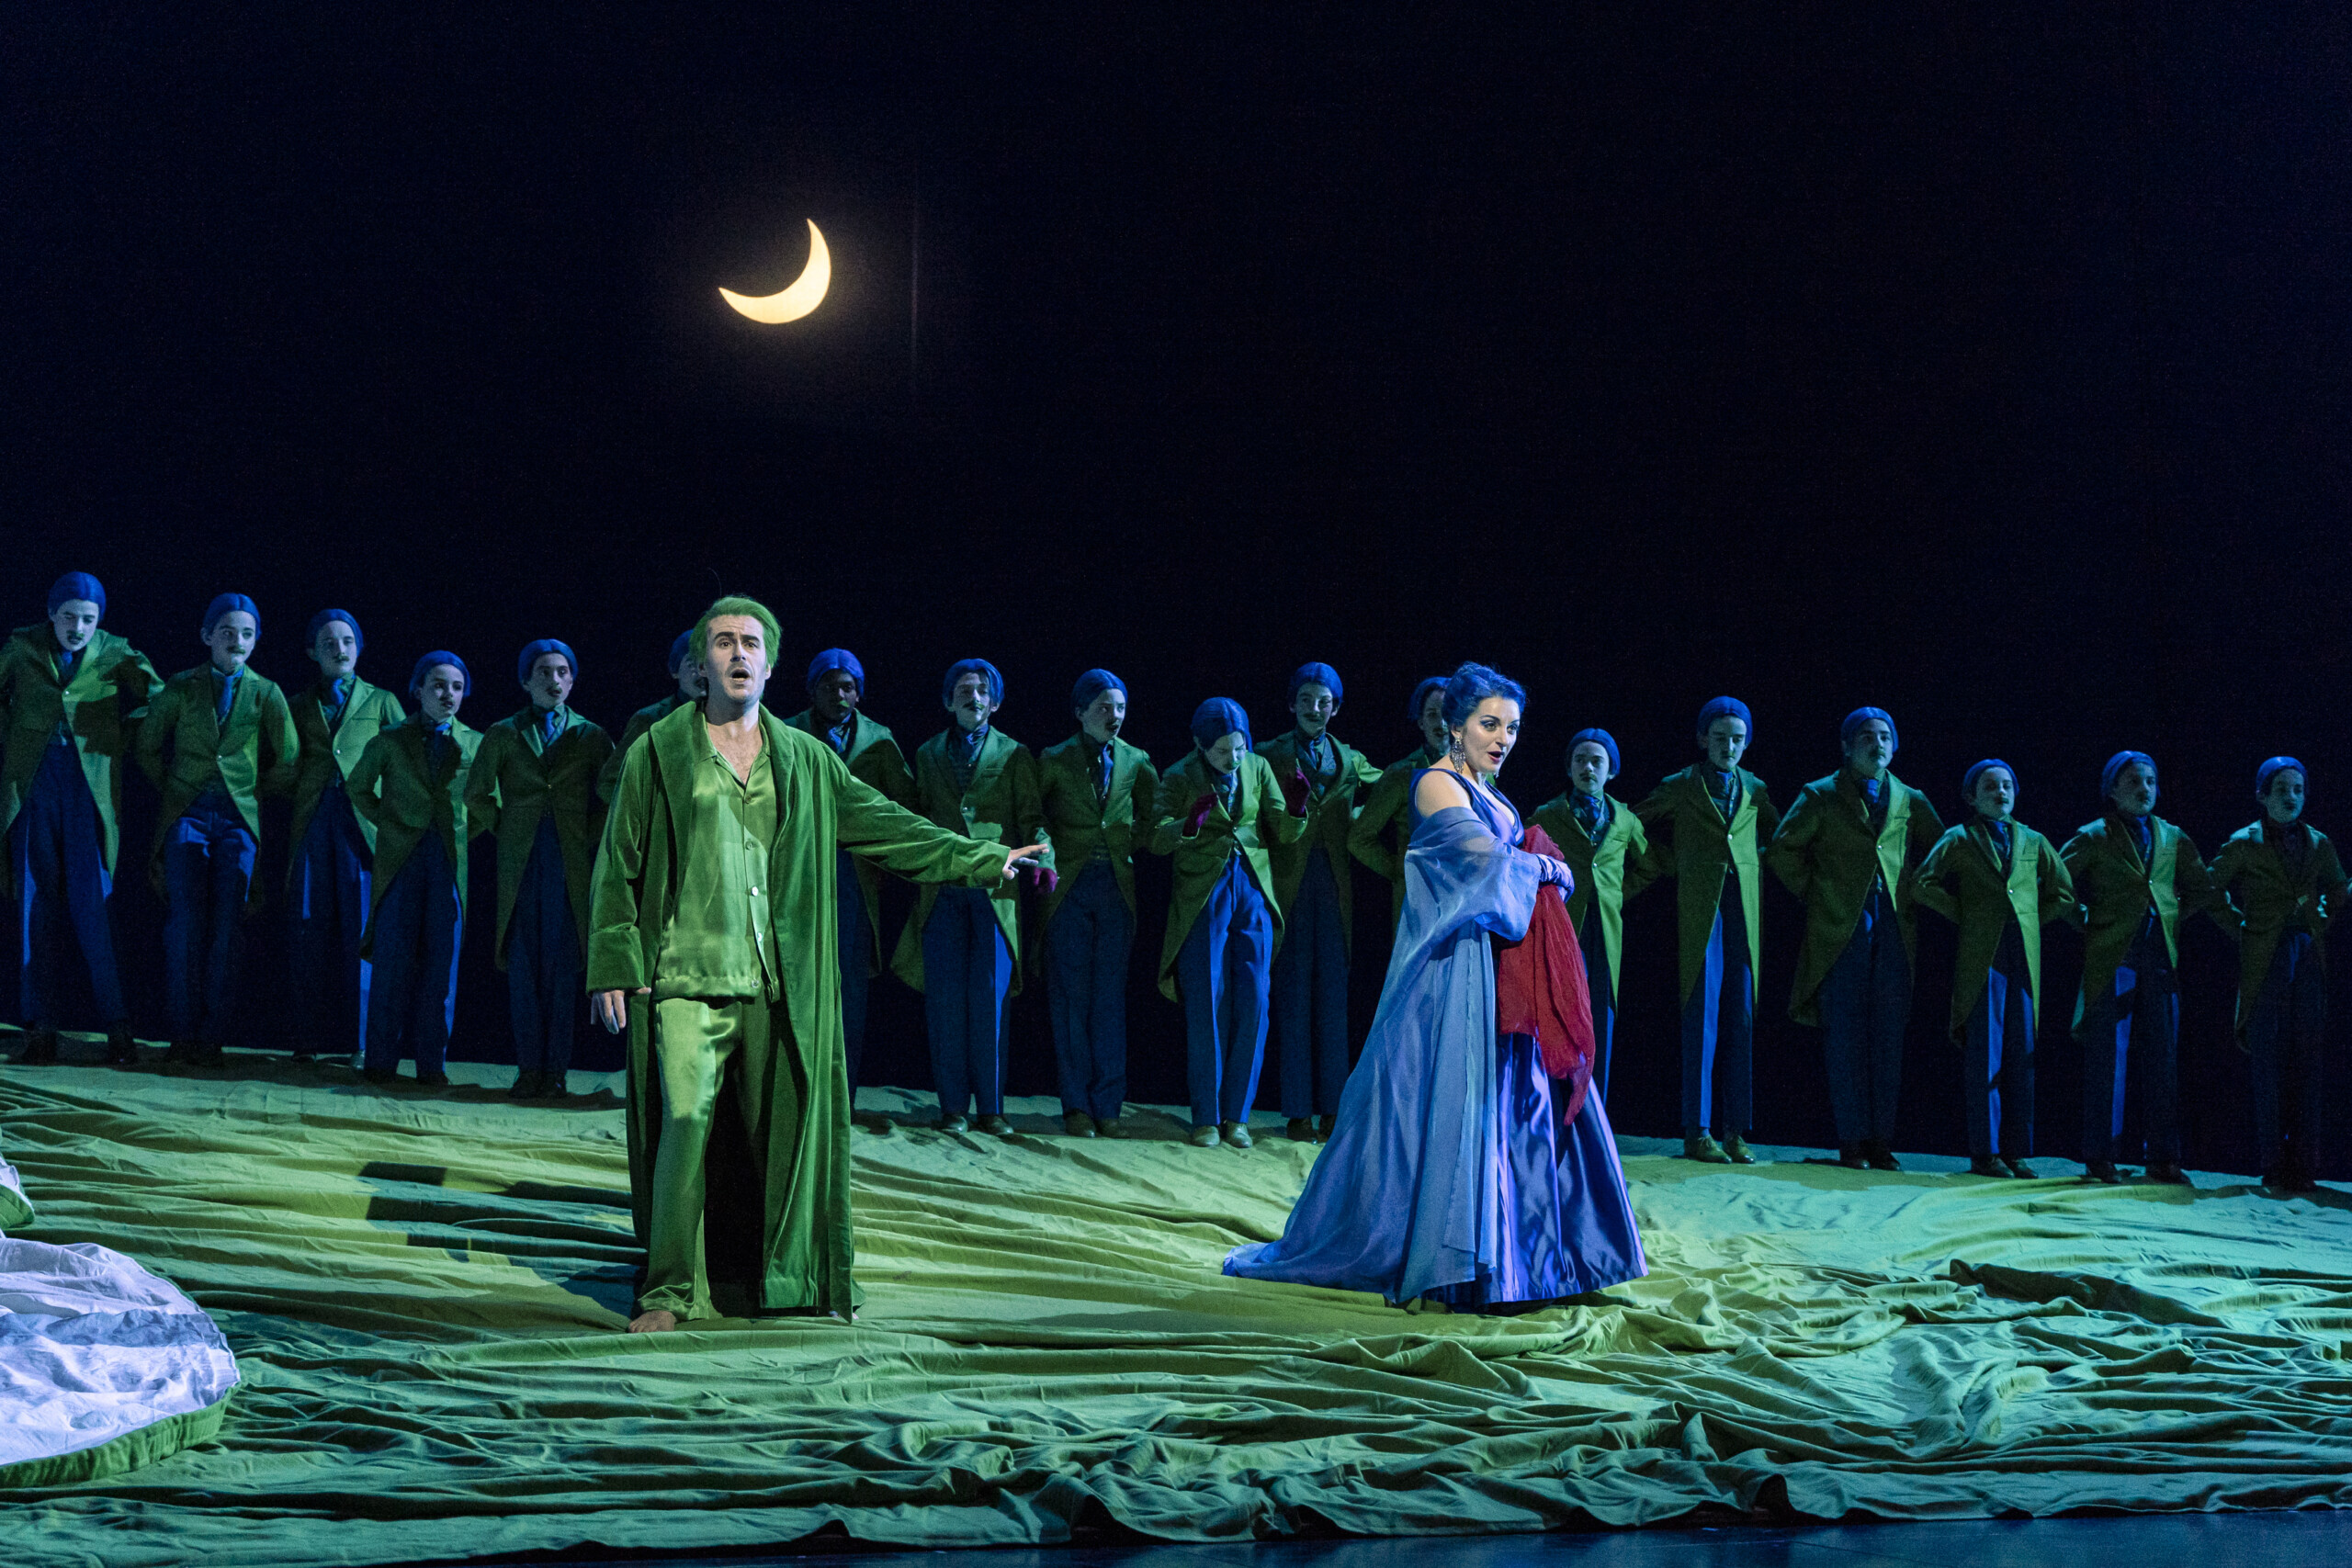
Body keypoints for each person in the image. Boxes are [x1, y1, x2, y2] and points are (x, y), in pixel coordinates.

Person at [588, 597, 1045, 1330]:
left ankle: (781, 1277)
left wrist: (985, 859)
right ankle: (667, 1289)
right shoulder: (657, 749)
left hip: (778, 984)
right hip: (684, 979)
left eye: (751, 643)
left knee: (782, 1135)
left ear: (770, 665)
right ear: (700, 664)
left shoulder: (805, 759)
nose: (738, 653)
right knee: (684, 1120)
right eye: (723, 642)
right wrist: (614, 959)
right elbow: (619, 861)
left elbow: (893, 828)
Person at [1225, 663, 1646, 1310]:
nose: (1503, 738)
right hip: (1452, 971)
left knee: (1513, 1108)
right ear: (1455, 726)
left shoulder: (1487, 790)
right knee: (1442, 1106)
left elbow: (1506, 861)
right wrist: (1544, 865)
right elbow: (1482, 863)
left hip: (1496, 968)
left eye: (1511, 727)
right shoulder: (1434, 784)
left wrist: (1538, 866)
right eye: (1489, 724)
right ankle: (1448, 1259)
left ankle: (1528, 1261)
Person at [1766, 707, 1943, 1170]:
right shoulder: (1822, 794)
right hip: (1840, 927)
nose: (1876, 744)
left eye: (1884, 736)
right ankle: (1851, 1140)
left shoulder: (1910, 798)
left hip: (1894, 926)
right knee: (1845, 1036)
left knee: (1888, 1035)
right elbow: (1782, 849)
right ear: (1847, 746)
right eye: (1866, 736)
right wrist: (1817, 893)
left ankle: (1881, 1140)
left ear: (1895, 746)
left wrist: (1920, 890)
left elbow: (1943, 849)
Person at [0, 573, 158, 1066]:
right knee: (35, 906)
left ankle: (118, 1026)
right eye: (68, 616)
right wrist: (15, 732)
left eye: (88, 619)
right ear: (52, 614)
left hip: (88, 787)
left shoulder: (115, 650)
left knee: (96, 907)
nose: (78, 627)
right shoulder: (22, 646)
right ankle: (40, 1027)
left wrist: (118, 735)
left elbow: (158, 698)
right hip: (33, 784)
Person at [137, 593, 298, 1066]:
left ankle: (212, 1037)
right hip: (187, 816)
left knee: (228, 928)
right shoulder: (182, 686)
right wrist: (176, 790)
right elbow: (147, 746)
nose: (237, 641)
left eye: (247, 634)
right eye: (227, 632)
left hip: (236, 821)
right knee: (185, 924)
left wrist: (250, 794)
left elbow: (288, 758)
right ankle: (182, 1033)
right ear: (207, 635)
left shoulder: (266, 691)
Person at [890, 659, 1046, 1135]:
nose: (973, 697)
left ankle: (991, 1109)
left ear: (994, 702)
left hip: (995, 893)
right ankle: (953, 1107)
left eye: (981, 691)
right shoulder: (928, 753)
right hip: (942, 892)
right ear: (948, 700)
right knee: (945, 1004)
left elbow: (1032, 818)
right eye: (963, 690)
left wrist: (1045, 856)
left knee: (990, 1002)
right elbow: (916, 819)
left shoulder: (1014, 754)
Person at [1149, 697, 1309, 1147]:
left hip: (1253, 890)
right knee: (1207, 1001)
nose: (1233, 758)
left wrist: (1297, 809)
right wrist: (1188, 824)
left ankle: (1237, 1117)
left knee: (1255, 1000)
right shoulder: (1179, 774)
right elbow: (1154, 837)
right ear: (1200, 746)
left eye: (1239, 748)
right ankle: (1206, 1116)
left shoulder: (1257, 767)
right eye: (1222, 751)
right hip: (1205, 893)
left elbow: (1282, 829)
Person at [2061, 751, 2220, 1185]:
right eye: (2133, 781)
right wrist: (2088, 921)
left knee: (2163, 1058)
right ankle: (2101, 1156)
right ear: (2112, 790)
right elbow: (2056, 882)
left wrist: (2171, 915)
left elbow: (2203, 888)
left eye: (2149, 781)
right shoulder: (2095, 834)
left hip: (2160, 958)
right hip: (2114, 957)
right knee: (2108, 1057)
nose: (2143, 789)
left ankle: (2163, 1157)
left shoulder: (2172, 836)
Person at [1634, 696, 1780, 1164]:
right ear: (1703, 739)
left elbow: (1779, 837)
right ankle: (1697, 1131)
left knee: (1741, 1016)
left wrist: (1755, 862)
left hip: (1744, 911)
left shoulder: (1754, 788)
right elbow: (1632, 826)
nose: (1729, 747)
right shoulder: (1681, 785)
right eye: (1720, 738)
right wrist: (1669, 861)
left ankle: (1736, 1130)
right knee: (1701, 1017)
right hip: (1702, 913)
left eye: (1737, 739)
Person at [1913, 761, 2075, 1178]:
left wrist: (2029, 919)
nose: (2000, 792)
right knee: (1985, 1052)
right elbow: (1923, 883)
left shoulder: (2033, 840)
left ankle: (2016, 1150)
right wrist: (1967, 915)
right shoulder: (1960, 837)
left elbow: (2063, 893)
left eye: (2006, 786)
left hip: (2022, 954)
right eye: (1990, 786)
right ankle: (1985, 1152)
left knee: (2021, 1051)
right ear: (1971, 796)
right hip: (1983, 957)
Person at [467, 639, 615, 1099]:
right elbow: (475, 793)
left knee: (563, 968)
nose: (554, 680)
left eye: (562, 672)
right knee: (524, 967)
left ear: (572, 680)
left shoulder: (590, 735)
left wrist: (585, 835)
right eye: (544, 672)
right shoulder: (503, 733)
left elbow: (613, 795)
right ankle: (528, 1069)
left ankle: (556, 1072)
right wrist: (508, 829)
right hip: (522, 866)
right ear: (525, 680)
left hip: (569, 866)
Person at [786, 648, 916, 1111]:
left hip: (856, 877)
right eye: (829, 686)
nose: (839, 695)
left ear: (859, 693)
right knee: (799, 981)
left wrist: (883, 855)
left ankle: (842, 1095)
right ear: (812, 690)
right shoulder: (787, 732)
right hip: (800, 872)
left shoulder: (879, 740)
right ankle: (799, 1092)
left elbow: (902, 805)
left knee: (849, 989)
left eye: (848, 687)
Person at [2209, 758, 2347, 1192]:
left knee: (2307, 1058)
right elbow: (2211, 888)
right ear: (2262, 795)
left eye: (2298, 790)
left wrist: (2319, 918)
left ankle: (2304, 1164)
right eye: (2282, 789)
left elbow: (2338, 887)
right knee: (2268, 1058)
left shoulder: (2318, 842)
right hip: (2266, 957)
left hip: (2306, 954)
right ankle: (2272, 1161)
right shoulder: (2244, 842)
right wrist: (2243, 929)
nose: (2291, 797)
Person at [1257, 662, 1382, 1142]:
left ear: (1336, 708)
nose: (1314, 709)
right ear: (1292, 704)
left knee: (1333, 998)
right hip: (1288, 885)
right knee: (1292, 997)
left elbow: (1393, 784)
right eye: (1306, 700)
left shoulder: (1349, 758)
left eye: (1323, 702)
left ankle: (1333, 1108)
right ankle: (1297, 1111)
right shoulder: (1268, 754)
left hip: (1334, 888)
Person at [349, 655, 482, 1086]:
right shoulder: (391, 738)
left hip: (448, 862)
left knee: (441, 966)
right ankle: (380, 1061)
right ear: (418, 689)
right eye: (439, 685)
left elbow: (488, 801)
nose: (448, 695)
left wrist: (460, 833)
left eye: (457, 687)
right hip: (401, 861)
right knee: (391, 962)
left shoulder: (474, 742)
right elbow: (358, 787)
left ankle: (431, 1065)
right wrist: (390, 824)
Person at [1035, 670, 1158, 1137]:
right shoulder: (1054, 758)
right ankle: (1076, 1106)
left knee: (1109, 1000)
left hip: (1116, 889)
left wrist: (1131, 840)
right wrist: (1046, 852)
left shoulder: (1135, 759)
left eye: (1120, 707)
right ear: (1080, 711)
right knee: (1071, 998)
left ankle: (1108, 1106)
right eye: (1104, 707)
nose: (1115, 715)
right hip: (1069, 887)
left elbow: (1155, 812)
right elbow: (1035, 816)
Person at [283, 609, 405, 1062]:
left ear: (359, 648)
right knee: (307, 928)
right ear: (312, 651)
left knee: (363, 930)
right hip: (314, 820)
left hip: (363, 825)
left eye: (348, 641)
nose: (340, 649)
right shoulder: (297, 704)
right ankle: (306, 1041)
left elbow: (403, 760)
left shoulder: (382, 700)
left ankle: (364, 1044)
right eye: (329, 643)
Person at [1530, 728, 1654, 1108]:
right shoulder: (1549, 815)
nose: (1588, 768)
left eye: (1597, 761)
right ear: (1569, 767)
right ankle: (1557, 1110)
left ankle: (1594, 1114)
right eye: (1580, 760)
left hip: (1606, 931)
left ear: (1610, 770)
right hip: (1564, 928)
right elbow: (1526, 864)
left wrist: (1613, 895)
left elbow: (1648, 866)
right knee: (1562, 1012)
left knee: (1601, 1015)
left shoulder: (1625, 819)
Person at [1349, 676, 1450, 934]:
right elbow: (1359, 839)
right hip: (1418, 902)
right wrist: (1398, 870)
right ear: (1421, 722)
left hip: (1465, 900)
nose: (1441, 723)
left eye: (1448, 713)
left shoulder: (1478, 772)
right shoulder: (1402, 774)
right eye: (1432, 715)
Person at [597, 631, 702, 805]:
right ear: (675, 670)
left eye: (708, 663)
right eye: (692, 664)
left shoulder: (734, 719)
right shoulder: (649, 720)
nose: (701, 672)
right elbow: (610, 783)